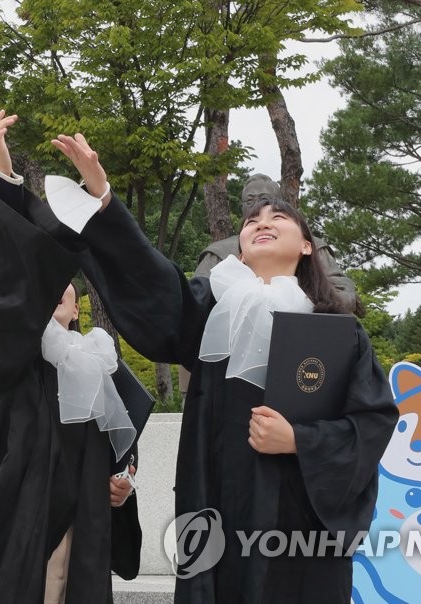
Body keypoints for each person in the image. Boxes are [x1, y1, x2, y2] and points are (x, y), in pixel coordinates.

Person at [46, 132, 398, 604]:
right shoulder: (212, 313)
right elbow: (151, 280)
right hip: (215, 501)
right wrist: (105, 200)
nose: (261, 221)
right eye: (251, 219)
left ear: (309, 248)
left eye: (278, 218)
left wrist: (300, 440)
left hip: (296, 519)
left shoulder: (337, 333)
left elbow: (372, 422)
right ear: (239, 245)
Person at [0, 111, 141, 604]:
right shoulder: (12, 349)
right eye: (45, 285)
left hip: (86, 511)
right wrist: (5, 185)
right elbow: (8, 279)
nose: (53, 290)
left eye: (65, 287)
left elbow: (124, 441)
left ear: (78, 306)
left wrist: (125, 482)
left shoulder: (99, 358)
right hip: (19, 505)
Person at [178, 173, 359, 397]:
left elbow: (342, 292)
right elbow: (193, 306)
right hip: (226, 372)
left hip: (304, 360)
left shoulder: (312, 247)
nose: (258, 209)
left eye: (266, 199)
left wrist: (299, 303)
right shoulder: (219, 253)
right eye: (250, 202)